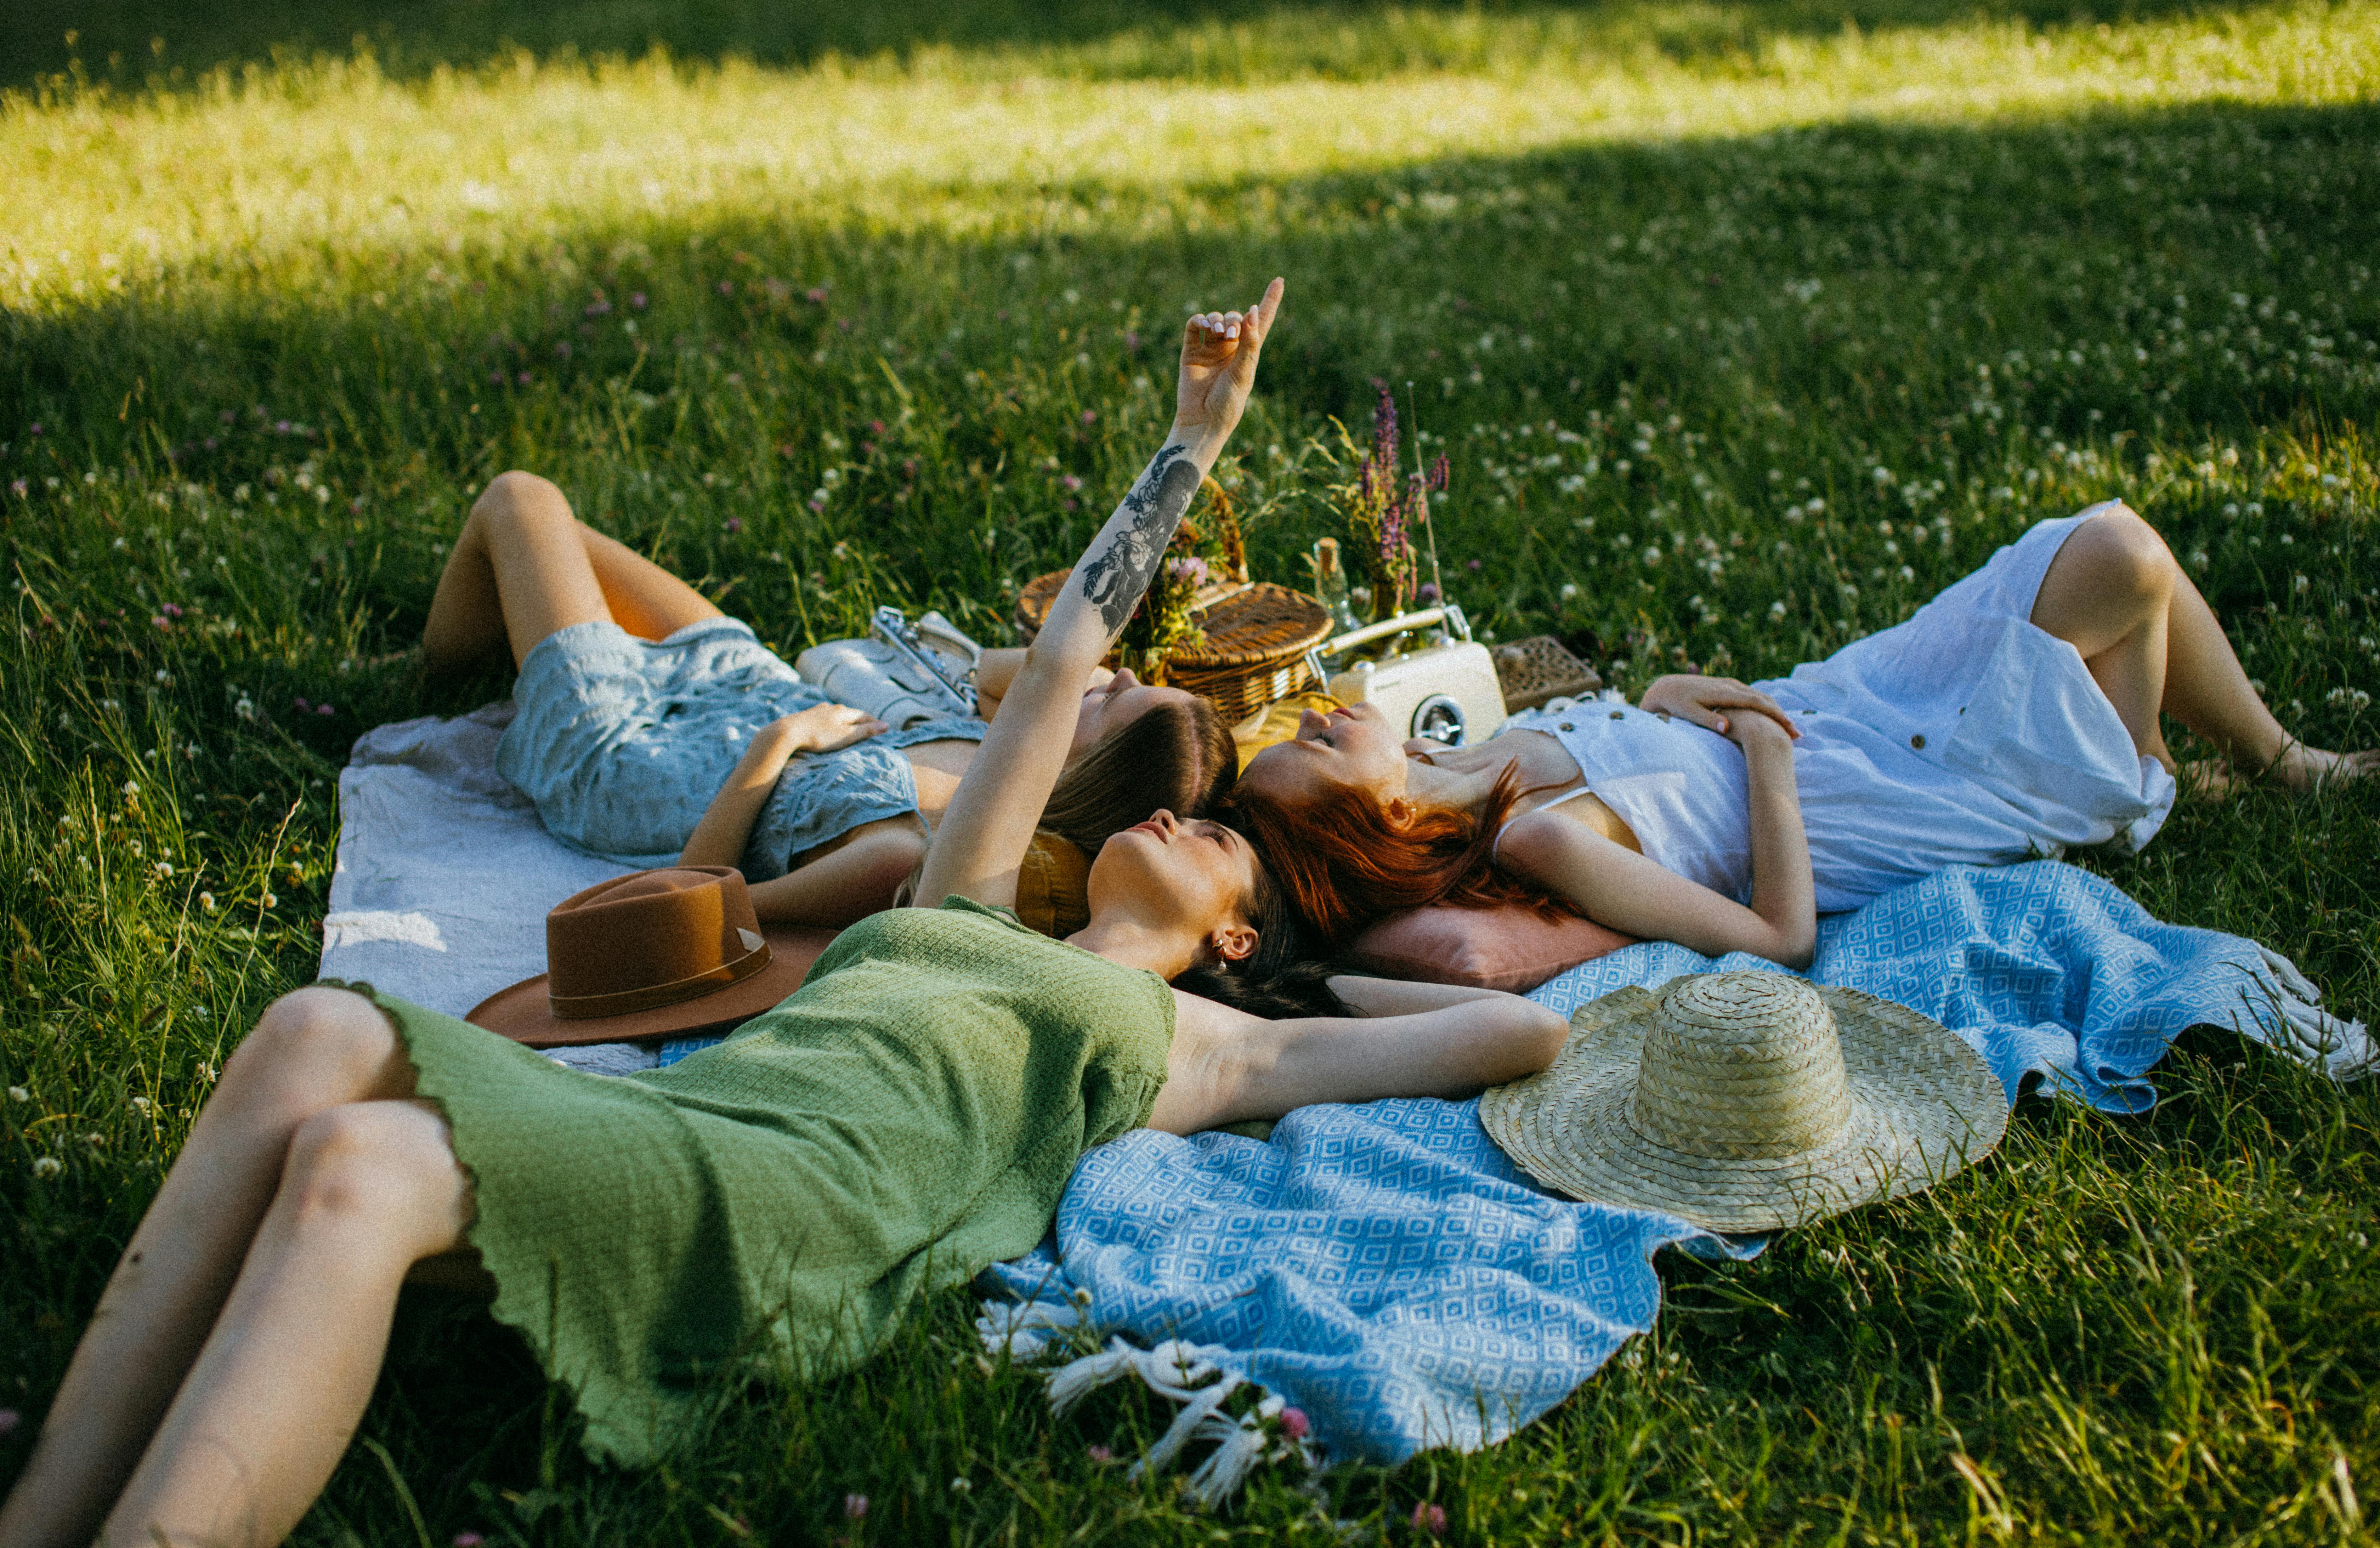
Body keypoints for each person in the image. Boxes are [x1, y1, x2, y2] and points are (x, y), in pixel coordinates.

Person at [0, 278, 1569, 1548]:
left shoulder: (1195, 1046)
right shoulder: (964, 895)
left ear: (1238, 941)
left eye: (1214, 847)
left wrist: (1314, 993)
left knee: (363, 1160)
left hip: (783, 1221)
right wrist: (1193, 435)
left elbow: (1507, 1021)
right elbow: (1076, 654)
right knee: (315, 1032)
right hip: (694, 1144)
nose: (1174, 815)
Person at [1234, 500, 2378, 967]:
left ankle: (2268, 761)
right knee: (2119, 564)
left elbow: (1631, 737)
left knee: (2108, 552)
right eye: (1325, 744)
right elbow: (1778, 938)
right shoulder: (1534, 844)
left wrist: (1670, 691)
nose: (1336, 712)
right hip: (1867, 782)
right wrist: (1769, 764)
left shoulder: (1466, 761)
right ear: (1374, 815)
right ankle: (2161, 780)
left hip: (1836, 700)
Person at [418, 470, 1236, 926]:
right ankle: (495, 637)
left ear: (1086, 773)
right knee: (553, 530)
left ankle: (428, 672)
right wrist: (1086, 692)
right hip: (746, 682)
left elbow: (697, 908)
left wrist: (773, 748)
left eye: (1118, 703)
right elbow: (1021, 670)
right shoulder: (1004, 753)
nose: (1117, 676)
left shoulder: (909, 853)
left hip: (639, 757)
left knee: (519, 501)